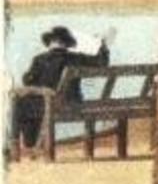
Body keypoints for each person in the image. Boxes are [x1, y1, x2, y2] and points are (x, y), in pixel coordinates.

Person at [11, 26, 110, 156]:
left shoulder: (39, 59)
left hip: (48, 105)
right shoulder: (75, 58)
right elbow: (101, 63)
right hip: (72, 104)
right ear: (65, 43)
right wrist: (103, 46)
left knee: (20, 103)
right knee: (29, 103)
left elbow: (28, 81)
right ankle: (33, 145)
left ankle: (23, 145)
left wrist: (27, 77)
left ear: (52, 42)